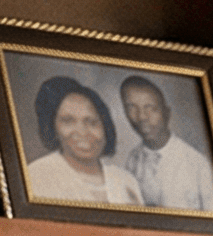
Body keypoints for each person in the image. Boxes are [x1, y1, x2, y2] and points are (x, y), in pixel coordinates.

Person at [22, 77, 143, 206]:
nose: (83, 132)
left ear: (105, 127)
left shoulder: (126, 180)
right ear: (53, 128)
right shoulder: (37, 176)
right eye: (68, 121)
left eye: (91, 122)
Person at [117, 75, 213, 213]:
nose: (142, 117)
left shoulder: (198, 164)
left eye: (151, 108)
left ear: (167, 113)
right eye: (132, 108)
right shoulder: (133, 160)